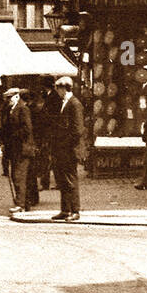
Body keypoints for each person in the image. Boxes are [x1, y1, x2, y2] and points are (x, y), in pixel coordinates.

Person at [0, 86, 36, 215]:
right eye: (6, 98)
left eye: (10, 98)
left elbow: (27, 129)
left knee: (19, 177)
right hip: (13, 149)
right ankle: (24, 203)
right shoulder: (8, 110)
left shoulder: (23, 109)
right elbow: (4, 129)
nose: (8, 100)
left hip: (23, 149)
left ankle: (20, 204)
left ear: (17, 96)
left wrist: (13, 136)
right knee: (16, 176)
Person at [48, 75, 85, 221]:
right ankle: (65, 209)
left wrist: (64, 144)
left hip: (69, 150)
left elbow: (77, 130)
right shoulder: (65, 102)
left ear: (64, 88)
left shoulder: (74, 104)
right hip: (62, 149)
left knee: (70, 180)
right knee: (62, 180)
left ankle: (75, 211)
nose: (57, 91)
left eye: (58, 88)